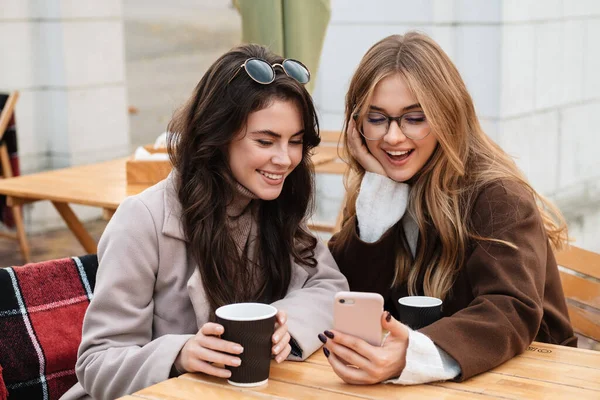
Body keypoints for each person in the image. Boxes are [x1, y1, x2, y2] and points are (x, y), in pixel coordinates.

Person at [61, 44, 348, 400]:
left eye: (296, 142)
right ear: (218, 136)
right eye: (265, 141)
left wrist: (282, 322)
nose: (285, 159)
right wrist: (179, 355)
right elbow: (97, 362)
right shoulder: (142, 221)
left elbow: (331, 289)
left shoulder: (274, 205)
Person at [321, 32, 576, 385]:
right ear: (356, 126)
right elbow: (350, 297)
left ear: (447, 116)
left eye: (414, 118)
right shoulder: (381, 188)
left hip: (528, 381)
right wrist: (378, 193)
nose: (393, 137)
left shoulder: (497, 195)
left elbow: (510, 309)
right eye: (376, 119)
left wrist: (412, 355)